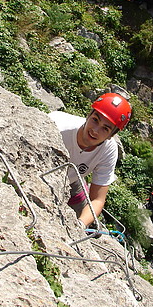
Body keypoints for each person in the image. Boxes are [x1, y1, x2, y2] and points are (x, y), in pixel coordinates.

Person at [48, 93, 131, 227]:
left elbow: (97, 199)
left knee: (84, 216)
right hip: (47, 173)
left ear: (112, 135)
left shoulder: (108, 150)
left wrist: (80, 225)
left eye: (105, 128)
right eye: (95, 120)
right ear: (88, 115)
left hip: (72, 181)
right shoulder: (57, 126)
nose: (95, 130)